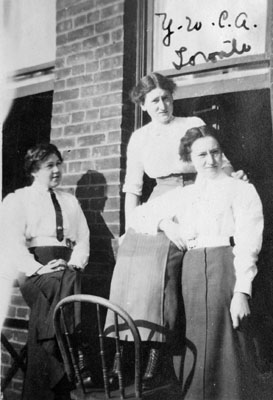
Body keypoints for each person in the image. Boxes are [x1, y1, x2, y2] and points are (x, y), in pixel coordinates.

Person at [104, 72, 245, 390]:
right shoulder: (139, 137)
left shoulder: (190, 123)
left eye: (166, 97)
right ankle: (123, 352)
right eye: (154, 100)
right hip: (159, 201)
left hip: (192, 197)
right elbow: (133, 189)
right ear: (143, 105)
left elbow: (219, 162)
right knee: (129, 256)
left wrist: (234, 177)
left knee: (162, 259)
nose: (162, 104)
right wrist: (129, 229)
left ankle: (154, 353)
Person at [128, 125, 264, 399]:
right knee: (194, 345)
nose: (210, 160)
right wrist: (166, 224)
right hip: (189, 274)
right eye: (201, 154)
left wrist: (241, 291)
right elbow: (137, 216)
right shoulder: (184, 195)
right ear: (189, 158)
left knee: (227, 345)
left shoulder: (241, 190)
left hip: (225, 267)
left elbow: (249, 243)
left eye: (215, 152)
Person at [1, 143, 90, 400]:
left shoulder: (70, 201)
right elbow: (12, 243)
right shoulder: (17, 199)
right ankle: (74, 345)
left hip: (67, 266)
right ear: (33, 169)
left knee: (68, 278)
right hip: (35, 268)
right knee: (63, 284)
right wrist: (39, 267)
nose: (56, 170)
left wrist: (74, 263)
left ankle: (46, 379)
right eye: (49, 165)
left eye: (59, 164)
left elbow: (83, 238)